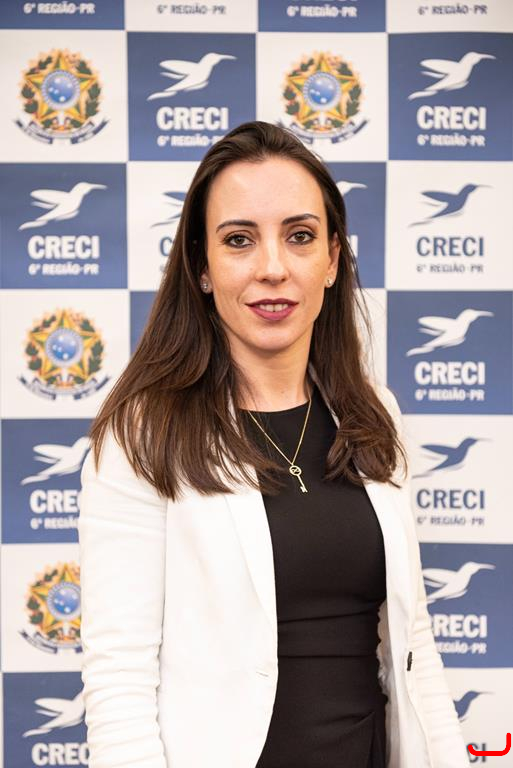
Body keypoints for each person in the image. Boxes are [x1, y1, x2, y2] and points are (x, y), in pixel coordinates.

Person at [77, 120, 469, 768]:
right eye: (239, 240)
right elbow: (119, 679)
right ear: (202, 267)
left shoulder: (375, 414)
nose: (272, 268)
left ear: (332, 259)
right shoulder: (143, 434)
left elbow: (413, 645)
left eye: (299, 236)